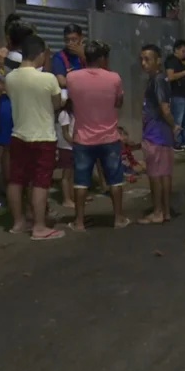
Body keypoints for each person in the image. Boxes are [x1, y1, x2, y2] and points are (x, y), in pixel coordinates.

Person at [4, 34, 64, 241]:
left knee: (16, 179)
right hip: (43, 136)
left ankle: (18, 222)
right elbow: (57, 104)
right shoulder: (48, 78)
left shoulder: (10, 77)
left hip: (19, 134)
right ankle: (39, 227)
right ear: (41, 54)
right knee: (40, 182)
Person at [66, 40, 128, 230]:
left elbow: (71, 100)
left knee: (81, 181)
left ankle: (79, 222)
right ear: (102, 58)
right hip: (109, 137)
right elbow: (119, 102)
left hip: (83, 138)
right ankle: (118, 219)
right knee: (115, 178)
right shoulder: (114, 78)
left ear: (84, 57)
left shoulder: (72, 77)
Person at [0, 17, 37, 192]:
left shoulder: (8, 56)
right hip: (17, 104)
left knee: (9, 148)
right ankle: (16, 187)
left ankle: (11, 186)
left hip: (8, 102)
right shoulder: (19, 59)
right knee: (16, 149)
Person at [139, 44, 179, 224]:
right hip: (161, 134)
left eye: (148, 59)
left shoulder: (157, 80)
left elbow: (164, 108)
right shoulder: (160, 80)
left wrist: (174, 125)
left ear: (158, 61)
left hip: (155, 134)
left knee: (156, 174)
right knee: (164, 173)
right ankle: (165, 210)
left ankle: (157, 211)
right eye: (142, 59)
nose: (143, 63)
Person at [164, 39, 185, 152]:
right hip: (177, 95)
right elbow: (170, 77)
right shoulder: (171, 61)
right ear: (176, 50)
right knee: (178, 119)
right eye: (183, 51)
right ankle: (176, 141)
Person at [50, 23, 86, 88]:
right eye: (67, 40)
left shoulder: (88, 55)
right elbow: (62, 82)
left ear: (81, 39)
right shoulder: (59, 57)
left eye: (74, 39)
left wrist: (83, 56)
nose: (70, 43)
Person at [55, 99, 75, 208]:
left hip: (71, 147)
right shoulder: (64, 114)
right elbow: (66, 133)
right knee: (66, 176)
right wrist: (75, 143)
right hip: (66, 147)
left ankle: (71, 197)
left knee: (70, 175)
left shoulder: (71, 114)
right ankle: (66, 199)